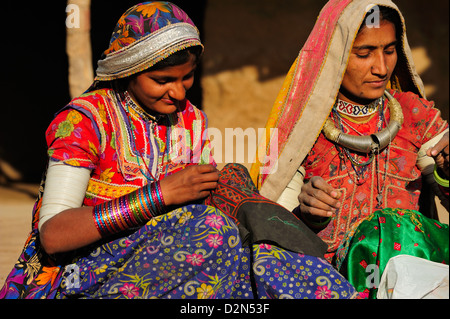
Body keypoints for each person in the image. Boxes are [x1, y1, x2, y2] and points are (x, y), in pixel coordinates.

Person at [1, 2, 360, 299]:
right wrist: (160, 196)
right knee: (213, 229)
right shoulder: (86, 121)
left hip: (179, 258)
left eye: (186, 77)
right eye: (162, 81)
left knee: (255, 243)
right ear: (129, 69)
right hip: (82, 274)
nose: (178, 92)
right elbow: (54, 234)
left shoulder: (191, 121)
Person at [251, 0, 448, 297]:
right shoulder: (306, 130)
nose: (381, 68)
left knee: (392, 227)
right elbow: (271, 228)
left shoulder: (414, 115)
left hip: (410, 280)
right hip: (330, 282)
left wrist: (446, 170)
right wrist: (306, 213)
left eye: (390, 51)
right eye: (364, 53)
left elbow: (442, 177)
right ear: (337, 55)